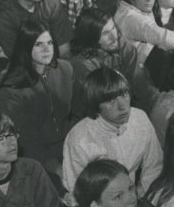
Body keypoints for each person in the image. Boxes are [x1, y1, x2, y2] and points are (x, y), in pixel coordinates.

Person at [62, 67, 163, 198]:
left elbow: (154, 166)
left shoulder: (140, 118)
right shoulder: (79, 139)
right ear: (96, 105)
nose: (122, 107)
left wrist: (142, 196)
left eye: (124, 94)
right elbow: (77, 191)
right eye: (110, 100)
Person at [0, 19, 74, 181]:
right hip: (37, 158)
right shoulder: (12, 89)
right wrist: (55, 167)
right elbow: (25, 141)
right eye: (38, 44)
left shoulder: (65, 69)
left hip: (71, 144)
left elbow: (79, 111)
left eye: (50, 42)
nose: (47, 49)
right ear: (26, 47)